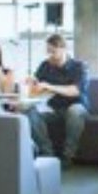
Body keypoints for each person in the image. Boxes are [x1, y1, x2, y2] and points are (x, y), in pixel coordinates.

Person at [24, 33, 89, 163]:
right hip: (52, 108)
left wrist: (49, 86)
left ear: (63, 49)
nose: (50, 56)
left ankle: (68, 155)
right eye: (48, 52)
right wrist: (33, 83)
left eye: (53, 52)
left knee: (75, 112)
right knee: (31, 112)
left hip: (75, 105)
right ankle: (47, 153)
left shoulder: (79, 66)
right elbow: (37, 85)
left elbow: (75, 91)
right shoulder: (45, 65)